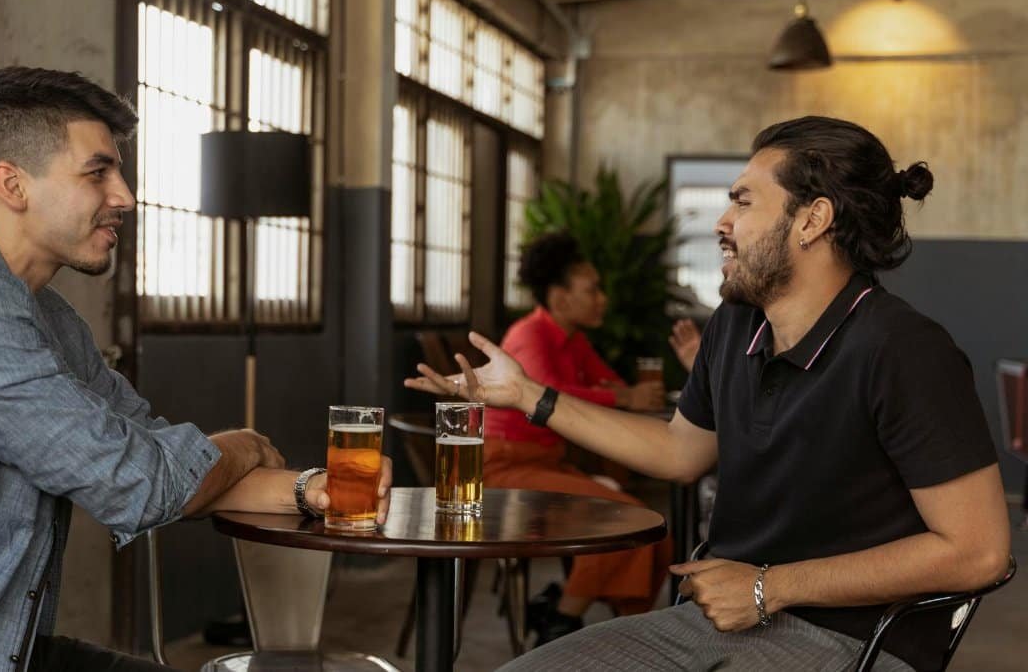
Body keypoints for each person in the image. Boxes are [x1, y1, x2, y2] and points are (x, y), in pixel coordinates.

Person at [0, 67, 391, 672]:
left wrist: (311, 488)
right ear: (13, 184)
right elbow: (143, 482)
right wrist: (245, 445)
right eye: (98, 172)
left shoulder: (45, 315)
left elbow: (164, 465)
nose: (123, 194)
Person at [408, 116, 1010, 672]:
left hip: (854, 640)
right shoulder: (736, 324)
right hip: (717, 622)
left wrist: (768, 587)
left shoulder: (903, 348)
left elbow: (978, 552)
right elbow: (679, 451)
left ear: (812, 219)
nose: (723, 223)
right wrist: (526, 394)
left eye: (743, 201)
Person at [482, 231, 670, 645]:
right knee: (626, 516)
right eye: (592, 290)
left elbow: (608, 384)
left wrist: (626, 393)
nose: (602, 298)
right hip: (505, 471)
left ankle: (622, 629)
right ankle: (560, 623)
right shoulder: (531, 334)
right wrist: (624, 395)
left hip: (547, 464)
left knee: (656, 530)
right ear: (560, 297)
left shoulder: (573, 339)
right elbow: (544, 392)